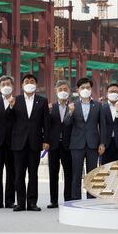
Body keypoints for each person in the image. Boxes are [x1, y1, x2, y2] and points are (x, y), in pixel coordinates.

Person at [9, 73, 50, 212]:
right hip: (18, 142)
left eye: (32, 81)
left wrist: (46, 140)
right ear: (22, 85)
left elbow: (46, 122)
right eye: (26, 81)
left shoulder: (42, 101)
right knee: (19, 174)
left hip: (35, 142)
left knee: (33, 174)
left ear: (36, 85)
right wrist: (11, 107)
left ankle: (32, 202)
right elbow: (9, 120)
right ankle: (20, 203)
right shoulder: (16, 100)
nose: (29, 83)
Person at [68, 77, 102, 200]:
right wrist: (70, 112)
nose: (85, 90)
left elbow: (102, 126)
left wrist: (102, 143)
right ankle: (75, 199)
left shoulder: (98, 105)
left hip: (93, 144)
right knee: (76, 173)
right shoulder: (73, 105)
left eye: (88, 87)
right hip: (77, 144)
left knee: (92, 174)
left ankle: (91, 199)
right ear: (78, 90)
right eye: (82, 88)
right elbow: (66, 123)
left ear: (91, 89)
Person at [45, 79, 73, 208]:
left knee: (68, 173)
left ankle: (68, 199)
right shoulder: (51, 107)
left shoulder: (72, 107)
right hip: (53, 145)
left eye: (65, 89)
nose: (63, 91)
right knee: (53, 173)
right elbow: (46, 126)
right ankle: (54, 200)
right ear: (56, 91)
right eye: (60, 89)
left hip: (68, 145)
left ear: (69, 91)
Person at [0, 75, 16, 209]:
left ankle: (10, 200)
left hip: (13, 142)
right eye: (3, 85)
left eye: (8, 84)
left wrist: (12, 107)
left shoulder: (18, 101)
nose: (6, 86)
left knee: (12, 172)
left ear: (12, 86)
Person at [99, 83, 118, 164]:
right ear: (107, 94)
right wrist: (101, 143)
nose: (113, 93)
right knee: (105, 168)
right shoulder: (101, 108)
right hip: (105, 144)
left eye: (116, 91)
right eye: (111, 91)